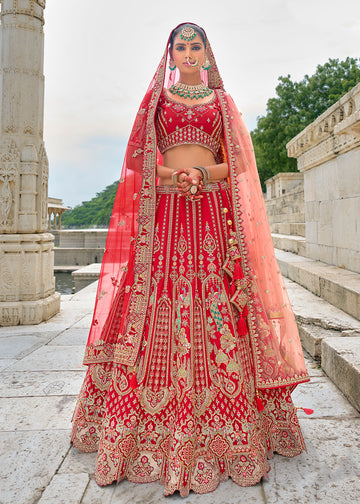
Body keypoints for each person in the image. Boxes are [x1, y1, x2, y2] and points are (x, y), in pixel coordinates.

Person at [71, 22, 310, 497]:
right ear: (171, 55)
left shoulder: (222, 104)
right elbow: (139, 161)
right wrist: (172, 176)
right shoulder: (156, 103)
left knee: (219, 305)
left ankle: (235, 433)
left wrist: (201, 172)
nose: (187, 52)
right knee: (154, 304)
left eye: (195, 45)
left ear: (207, 53)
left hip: (211, 218)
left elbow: (239, 163)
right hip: (165, 219)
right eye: (179, 46)